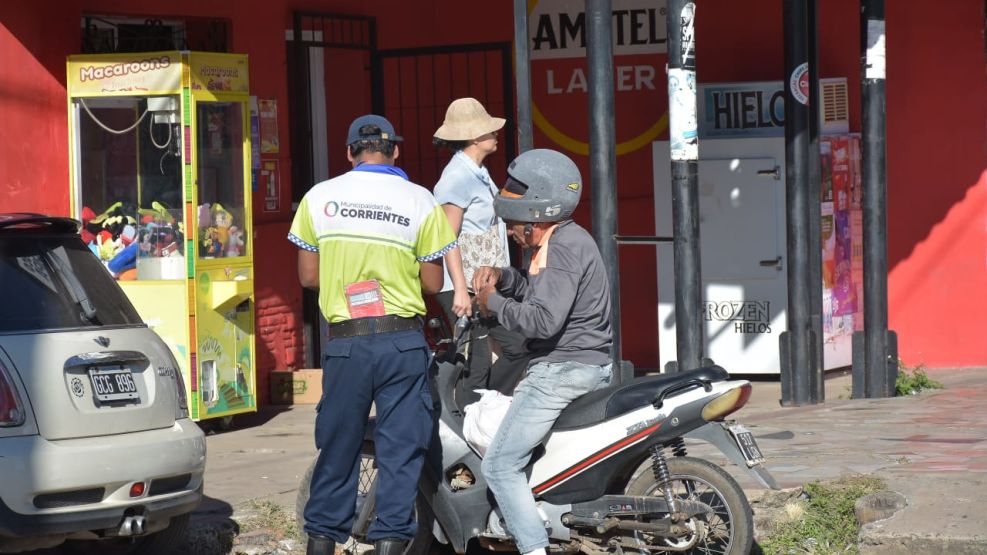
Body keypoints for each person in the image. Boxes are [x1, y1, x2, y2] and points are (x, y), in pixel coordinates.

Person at [288, 115, 456, 555]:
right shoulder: (421, 201)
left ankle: (322, 541)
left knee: (338, 447)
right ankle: (390, 542)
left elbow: (308, 277)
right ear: (395, 151)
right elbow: (433, 282)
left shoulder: (319, 198)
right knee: (400, 452)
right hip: (401, 342)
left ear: (349, 152)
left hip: (346, 343)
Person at [473, 149, 614, 555]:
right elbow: (540, 290)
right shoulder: (562, 240)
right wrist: (503, 277)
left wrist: (492, 303)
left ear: (534, 217)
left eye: (513, 226)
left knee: (499, 465)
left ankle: (533, 548)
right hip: (579, 366)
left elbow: (543, 321)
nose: (512, 234)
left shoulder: (563, 247)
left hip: (561, 371)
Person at [432, 97, 528, 404]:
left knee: (515, 348)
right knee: (478, 360)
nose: (496, 134)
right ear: (474, 137)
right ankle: (468, 414)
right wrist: (461, 290)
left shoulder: (477, 172)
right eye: (489, 129)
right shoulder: (457, 177)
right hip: (465, 284)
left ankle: (484, 408)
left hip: (483, 282)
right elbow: (446, 238)